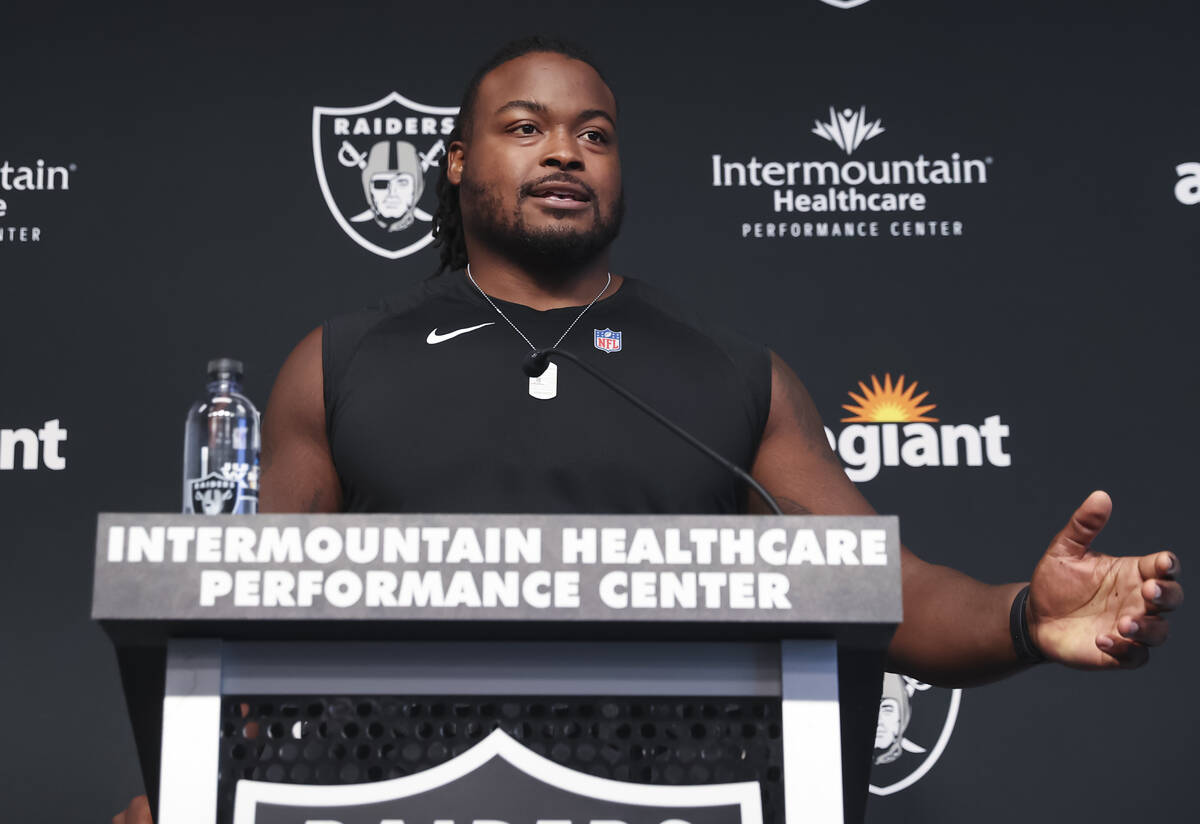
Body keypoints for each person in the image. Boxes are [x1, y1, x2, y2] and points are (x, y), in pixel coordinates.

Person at [113, 35, 1182, 824]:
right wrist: (187, 784)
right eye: (524, 127)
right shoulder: (339, 361)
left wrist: (1019, 617)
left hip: (674, 789)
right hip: (395, 791)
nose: (565, 151)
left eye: (594, 133)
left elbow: (882, 588)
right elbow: (245, 623)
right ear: (453, 162)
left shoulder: (728, 370)